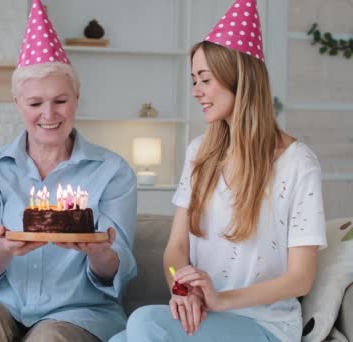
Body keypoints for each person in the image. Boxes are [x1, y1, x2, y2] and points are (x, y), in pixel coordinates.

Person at [110, 1, 326, 341]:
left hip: (266, 326)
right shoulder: (200, 153)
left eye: (205, 80)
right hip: (208, 319)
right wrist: (182, 288)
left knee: (143, 324)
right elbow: (175, 250)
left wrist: (221, 299)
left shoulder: (298, 163)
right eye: (194, 79)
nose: (196, 92)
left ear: (238, 79)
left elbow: (301, 278)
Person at [0, 1, 138, 341]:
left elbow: (118, 268)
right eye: (36, 103)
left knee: (48, 337)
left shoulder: (112, 171)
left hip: (79, 314)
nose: (49, 114)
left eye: (60, 101)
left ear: (77, 98)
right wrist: (4, 248)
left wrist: (99, 251)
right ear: (17, 104)